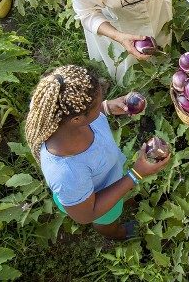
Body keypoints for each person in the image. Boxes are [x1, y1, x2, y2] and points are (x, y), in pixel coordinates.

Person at [24, 65, 171, 239]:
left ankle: (125, 197)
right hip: (97, 200)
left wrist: (106, 107)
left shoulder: (61, 115)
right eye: (97, 105)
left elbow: (86, 111)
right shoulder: (67, 173)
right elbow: (87, 214)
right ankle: (117, 234)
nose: (102, 103)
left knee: (122, 195)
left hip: (111, 173)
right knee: (107, 220)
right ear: (77, 119)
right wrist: (135, 175)